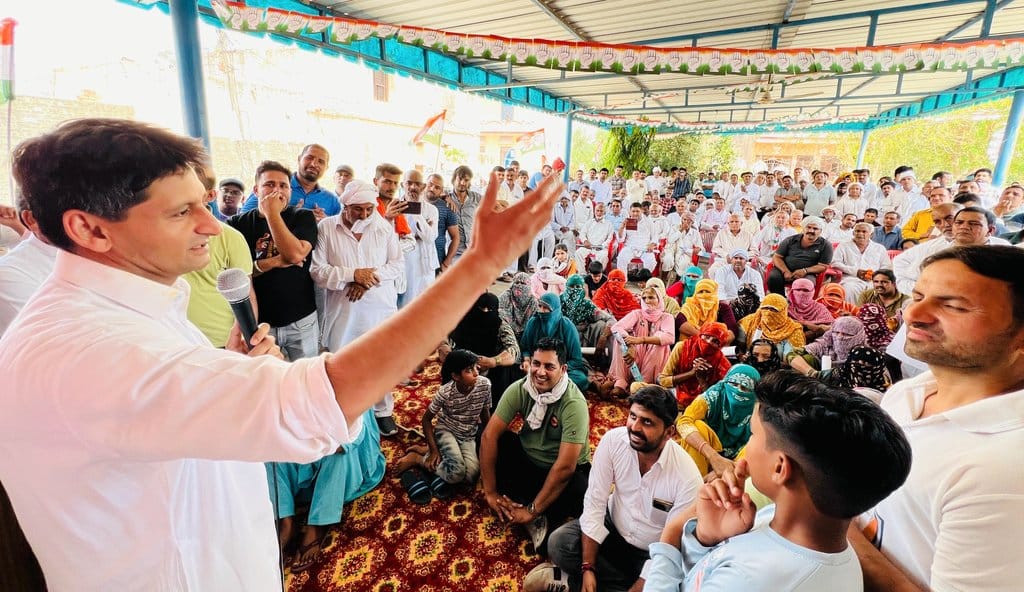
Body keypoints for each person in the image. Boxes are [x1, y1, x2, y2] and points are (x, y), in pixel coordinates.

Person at [0, 118, 564, 590]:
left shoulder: (128, 311)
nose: (208, 224)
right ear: (90, 230)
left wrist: (232, 368)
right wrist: (480, 265)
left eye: (204, 203)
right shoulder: (86, 350)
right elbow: (314, 406)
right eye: (180, 212)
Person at [849, 246, 1024, 592]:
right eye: (917, 296)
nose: (914, 313)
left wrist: (830, 524)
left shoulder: (1004, 470)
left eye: (954, 306)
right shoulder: (910, 393)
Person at [645, 372, 912, 592]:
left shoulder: (755, 579)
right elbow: (701, 579)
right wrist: (705, 539)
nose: (746, 448)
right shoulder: (780, 522)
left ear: (780, 467)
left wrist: (669, 540)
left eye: (752, 435)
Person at [534, 387, 703, 592]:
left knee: (671, 582)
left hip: (650, 553)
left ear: (669, 432)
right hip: (612, 527)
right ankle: (597, 581)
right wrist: (588, 567)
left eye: (647, 422)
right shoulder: (614, 441)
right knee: (560, 543)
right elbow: (595, 501)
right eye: (633, 416)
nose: (635, 427)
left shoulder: (687, 477)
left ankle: (571, 584)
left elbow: (671, 547)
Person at [480, 338, 592, 556]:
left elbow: (565, 467)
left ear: (563, 369)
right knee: (491, 442)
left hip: (560, 471)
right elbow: (489, 436)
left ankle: (532, 510)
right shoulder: (521, 389)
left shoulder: (573, 403)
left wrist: (531, 512)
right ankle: (538, 509)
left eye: (549, 366)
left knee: (582, 489)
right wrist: (490, 493)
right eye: (536, 364)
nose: (540, 372)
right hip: (529, 459)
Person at [310, 180, 405, 436]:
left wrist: (366, 279)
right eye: (357, 209)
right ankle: (343, 413)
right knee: (343, 363)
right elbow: (318, 271)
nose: (363, 215)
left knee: (381, 362)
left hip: (379, 309)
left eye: (368, 209)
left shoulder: (383, 228)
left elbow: (397, 266)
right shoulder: (327, 228)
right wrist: (353, 274)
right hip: (343, 312)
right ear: (345, 206)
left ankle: (383, 411)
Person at [266, 406, 385, 572]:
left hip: (346, 431)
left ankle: (318, 523)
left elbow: (354, 431)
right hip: (302, 419)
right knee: (269, 450)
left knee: (337, 450)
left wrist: (317, 445)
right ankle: (286, 519)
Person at [229, 160, 321, 361]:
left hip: (301, 320)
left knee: (305, 379)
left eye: (283, 185)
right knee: (269, 383)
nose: (277, 190)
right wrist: (278, 261)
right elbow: (237, 276)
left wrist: (272, 214)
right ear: (256, 190)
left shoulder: (303, 217)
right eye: (269, 184)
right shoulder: (236, 224)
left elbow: (295, 255)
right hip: (260, 325)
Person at [393, 349, 491, 497]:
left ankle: (430, 451)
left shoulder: (484, 385)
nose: (477, 373)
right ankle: (419, 459)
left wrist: (489, 438)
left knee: (470, 476)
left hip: (468, 434)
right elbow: (426, 419)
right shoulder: (445, 392)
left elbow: (485, 413)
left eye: (476, 367)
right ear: (456, 376)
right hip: (447, 431)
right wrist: (434, 451)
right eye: (469, 370)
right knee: (457, 472)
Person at [182, 163, 254, 347]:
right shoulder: (157, 236)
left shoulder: (231, 237)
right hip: (175, 341)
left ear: (210, 195)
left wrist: (248, 338)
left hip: (221, 342)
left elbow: (246, 293)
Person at [677, 364, 761, 477]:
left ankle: (729, 480)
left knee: (757, 444)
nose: (738, 391)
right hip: (707, 453)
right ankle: (695, 480)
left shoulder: (758, 409)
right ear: (726, 382)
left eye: (745, 388)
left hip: (737, 461)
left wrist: (724, 470)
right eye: (734, 384)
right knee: (697, 426)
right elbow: (683, 422)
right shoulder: (712, 397)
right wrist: (713, 457)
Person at [441, 292, 521, 407]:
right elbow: (443, 330)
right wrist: (444, 345)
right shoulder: (463, 319)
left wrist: (494, 361)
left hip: (487, 366)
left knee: (503, 371)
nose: (484, 312)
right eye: (481, 308)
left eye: (489, 310)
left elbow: (513, 350)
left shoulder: (500, 325)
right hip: (462, 363)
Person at [601, 287, 676, 398]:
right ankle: (620, 382)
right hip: (637, 355)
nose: (647, 301)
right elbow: (616, 327)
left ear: (659, 299)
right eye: (644, 298)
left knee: (659, 344)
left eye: (651, 297)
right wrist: (630, 345)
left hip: (655, 359)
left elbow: (670, 338)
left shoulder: (667, 317)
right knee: (620, 340)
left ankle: (645, 383)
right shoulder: (637, 313)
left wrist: (641, 340)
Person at [239, 144, 341, 221]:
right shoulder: (272, 186)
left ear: (326, 168)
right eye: (309, 158)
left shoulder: (332, 201)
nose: (314, 164)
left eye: (320, 161)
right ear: (299, 159)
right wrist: (289, 215)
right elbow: (242, 218)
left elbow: (338, 232)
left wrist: (325, 222)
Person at [521, 293, 590, 393]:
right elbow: (525, 347)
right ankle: (552, 388)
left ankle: (543, 388)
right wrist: (527, 361)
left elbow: (576, 359)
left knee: (580, 379)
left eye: (546, 308)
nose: (541, 311)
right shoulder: (533, 322)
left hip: (561, 369)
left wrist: (555, 370)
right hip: (537, 367)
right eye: (540, 306)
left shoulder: (567, 326)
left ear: (555, 309)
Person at [658, 323, 732, 408]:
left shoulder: (722, 364)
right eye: (707, 337)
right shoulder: (682, 347)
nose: (708, 343)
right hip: (675, 400)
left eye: (715, 341)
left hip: (701, 408)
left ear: (720, 346)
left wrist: (702, 380)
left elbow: (717, 401)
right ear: (700, 335)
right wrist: (692, 373)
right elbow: (663, 380)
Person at [396, 169, 438, 307]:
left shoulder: (431, 210)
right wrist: (416, 235)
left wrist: (416, 213)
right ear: (403, 185)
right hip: (404, 262)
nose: (413, 187)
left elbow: (430, 237)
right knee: (403, 305)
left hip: (425, 264)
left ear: (423, 187)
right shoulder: (395, 207)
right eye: (409, 183)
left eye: (417, 184)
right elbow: (395, 238)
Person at [767, 216, 833, 295]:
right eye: (808, 227)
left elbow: (823, 266)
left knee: (806, 284)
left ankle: (799, 305)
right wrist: (785, 271)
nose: (811, 231)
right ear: (803, 228)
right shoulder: (790, 240)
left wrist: (805, 271)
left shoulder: (826, 245)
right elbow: (777, 257)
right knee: (773, 277)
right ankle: (780, 300)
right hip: (784, 269)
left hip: (808, 273)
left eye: (815, 229)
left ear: (820, 231)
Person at [786, 316, 867, 379]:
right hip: (820, 383)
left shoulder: (865, 353)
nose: (839, 337)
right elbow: (791, 353)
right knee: (807, 358)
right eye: (836, 332)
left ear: (858, 337)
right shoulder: (825, 344)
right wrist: (812, 373)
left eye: (847, 334)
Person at [832, 223, 891, 304]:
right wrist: (856, 271)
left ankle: (871, 315)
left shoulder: (879, 248)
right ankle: (851, 313)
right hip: (851, 279)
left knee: (879, 291)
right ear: (853, 233)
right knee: (849, 289)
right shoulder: (844, 245)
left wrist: (875, 275)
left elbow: (886, 266)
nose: (860, 234)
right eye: (857, 231)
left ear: (871, 234)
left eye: (864, 231)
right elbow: (835, 263)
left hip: (874, 280)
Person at [736, 294, 807, 357]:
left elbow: (794, 358)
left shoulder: (793, 330)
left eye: (773, 309)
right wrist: (742, 356)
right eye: (765, 308)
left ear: (783, 311)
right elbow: (740, 347)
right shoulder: (749, 322)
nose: (768, 313)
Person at [424, 173, 460, 273]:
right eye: (430, 184)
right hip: (413, 260)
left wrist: (446, 263)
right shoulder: (413, 203)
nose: (432, 188)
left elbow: (456, 237)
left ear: (441, 191)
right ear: (424, 184)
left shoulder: (448, 208)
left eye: (437, 187)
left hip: (437, 260)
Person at [786, 277, 834, 342]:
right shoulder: (786, 307)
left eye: (805, 290)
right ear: (792, 291)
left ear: (812, 292)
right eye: (798, 290)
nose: (801, 293)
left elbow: (828, 328)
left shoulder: (819, 308)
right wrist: (807, 325)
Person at [499, 271, 538, 340]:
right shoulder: (507, 295)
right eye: (517, 283)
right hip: (507, 332)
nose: (519, 285)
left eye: (523, 283)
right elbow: (498, 307)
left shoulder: (533, 301)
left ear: (528, 285)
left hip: (526, 333)